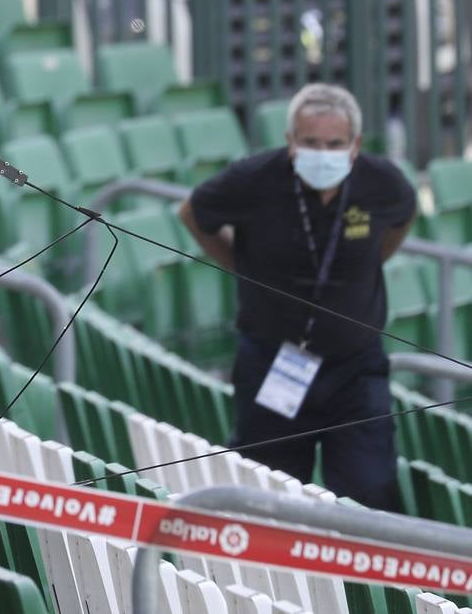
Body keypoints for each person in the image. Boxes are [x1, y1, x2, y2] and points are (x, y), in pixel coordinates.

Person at [178, 83, 415, 510]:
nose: (322, 152)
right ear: (291, 144)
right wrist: (239, 265)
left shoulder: (382, 183)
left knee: (370, 491)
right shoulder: (253, 179)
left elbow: (402, 216)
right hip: (273, 362)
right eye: (310, 143)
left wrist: (366, 264)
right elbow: (193, 212)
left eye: (334, 144)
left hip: (355, 369)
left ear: (355, 146)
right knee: (270, 497)